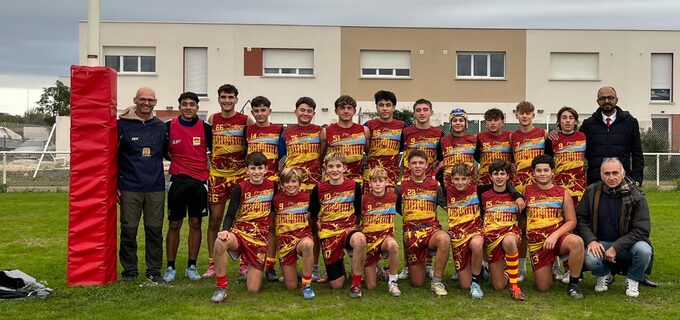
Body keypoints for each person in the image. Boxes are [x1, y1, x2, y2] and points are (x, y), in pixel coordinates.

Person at [575, 157, 652, 298]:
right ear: (601, 175)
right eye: (607, 173)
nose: (611, 177)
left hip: (628, 245)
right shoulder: (592, 191)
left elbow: (642, 229)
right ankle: (604, 275)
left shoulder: (636, 196)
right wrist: (591, 240)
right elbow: (581, 219)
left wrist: (616, 247)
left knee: (644, 250)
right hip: (600, 243)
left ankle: (633, 279)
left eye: (615, 173)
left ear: (623, 174)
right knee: (589, 258)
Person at [116, 87, 167, 283]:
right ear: (135, 100)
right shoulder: (121, 125)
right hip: (129, 187)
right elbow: (111, 157)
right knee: (129, 231)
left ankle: (154, 271)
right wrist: (114, 185)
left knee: (154, 231)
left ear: (155, 102)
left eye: (150, 100)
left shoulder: (161, 127)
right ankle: (130, 271)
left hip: (155, 187)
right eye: (143, 100)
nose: (146, 103)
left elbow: (169, 153)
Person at [211, 152, 276, 303]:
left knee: (253, 289)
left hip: (259, 241)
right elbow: (230, 214)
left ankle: (251, 268)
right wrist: (225, 230)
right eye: (253, 168)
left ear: (266, 169)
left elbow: (279, 207)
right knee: (220, 243)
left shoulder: (273, 187)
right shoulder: (240, 188)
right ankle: (221, 288)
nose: (256, 172)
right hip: (240, 234)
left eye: (260, 168)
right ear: (247, 170)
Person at [204, 84, 255, 278]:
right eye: (223, 97)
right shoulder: (212, 119)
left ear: (236, 99)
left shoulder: (245, 120)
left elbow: (250, 146)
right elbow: (210, 144)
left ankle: (244, 262)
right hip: (217, 176)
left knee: (241, 220)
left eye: (230, 97)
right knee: (215, 219)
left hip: (239, 176)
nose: (227, 100)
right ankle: (212, 262)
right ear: (218, 99)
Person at [550, 86, 644, 186]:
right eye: (602, 98)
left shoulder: (630, 122)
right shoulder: (589, 124)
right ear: (598, 101)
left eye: (610, 98)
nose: (606, 101)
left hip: (621, 178)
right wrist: (556, 133)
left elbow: (637, 153)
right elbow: (574, 139)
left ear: (616, 100)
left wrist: (637, 177)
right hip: (595, 180)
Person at [163, 92, 212, 282]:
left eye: (192, 104)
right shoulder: (168, 126)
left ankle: (192, 266)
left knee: (195, 223)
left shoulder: (206, 128)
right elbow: (164, 151)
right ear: (179, 107)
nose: (189, 107)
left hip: (199, 182)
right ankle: (170, 266)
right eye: (185, 104)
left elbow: (216, 152)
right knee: (174, 223)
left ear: (197, 107)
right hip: (178, 181)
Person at [523, 155, 585, 298]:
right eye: (539, 170)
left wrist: (555, 235)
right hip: (538, 244)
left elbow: (571, 221)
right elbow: (522, 217)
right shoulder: (526, 190)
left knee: (577, 242)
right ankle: (551, 263)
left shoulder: (562, 192)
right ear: (533, 173)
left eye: (546, 170)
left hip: (557, 239)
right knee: (543, 287)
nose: (542, 173)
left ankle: (574, 284)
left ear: (552, 172)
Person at [309, 152, 367, 298]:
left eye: (338, 166)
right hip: (328, 234)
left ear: (344, 168)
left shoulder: (354, 186)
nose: (334, 170)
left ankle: (356, 283)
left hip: (348, 230)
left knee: (359, 239)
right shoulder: (318, 189)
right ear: (326, 169)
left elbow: (359, 212)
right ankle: (336, 268)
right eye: (331, 166)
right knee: (337, 285)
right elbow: (313, 214)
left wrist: (355, 227)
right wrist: (317, 227)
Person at [281, 96, 325, 281]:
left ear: (313, 114)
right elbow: (281, 157)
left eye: (309, 111)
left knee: (313, 227)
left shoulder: (320, 132)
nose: (305, 113)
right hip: (291, 187)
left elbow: (322, 154)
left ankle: (313, 267)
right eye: (302, 110)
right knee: (289, 226)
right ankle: (288, 265)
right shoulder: (286, 132)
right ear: (296, 111)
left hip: (312, 187)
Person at [398, 150, 451, 296]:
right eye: (414, 163)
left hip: (431, 231)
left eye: (421, 163)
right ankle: (415, 267)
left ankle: (437, 281)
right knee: (417, 283)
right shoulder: (401, 185)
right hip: (412, 235)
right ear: (408, 165)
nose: (417, 166)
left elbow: (446, 207)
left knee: (444, 238)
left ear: (427, 165)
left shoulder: (435, 185)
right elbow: (392, 206)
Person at [478, 159, 526, 300]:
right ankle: (507, 271)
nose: (499, 177)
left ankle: (514, 286)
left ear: (507, 176)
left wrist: (517, 196)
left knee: (509, 241)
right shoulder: (482, 193)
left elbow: (523, 217)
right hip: (491, 238)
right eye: (495, 174)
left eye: (502, 173)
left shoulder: (516, 196)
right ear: (490, 177)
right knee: (498, 286)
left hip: (510, 233)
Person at [273, 167, 315, 299]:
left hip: (301, 239)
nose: (290, 185)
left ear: (299, 182)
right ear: (282, 184)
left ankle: (306, 285)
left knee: (308, 244)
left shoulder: (308, 198)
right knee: (291, 286)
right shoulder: (276, 199)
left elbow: (315, 217)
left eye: (293, 181)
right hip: (285, 244)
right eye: (287, 182)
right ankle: (294, 273)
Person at [444, 163, 484, 298]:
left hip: (474, 232)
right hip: (457, 237)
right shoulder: (447, 191)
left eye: (463, 179)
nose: (460, 182)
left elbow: (500, 187)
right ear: (451, 179)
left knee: (477, 244)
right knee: (464, 285)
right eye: (456, 179)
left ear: (469, 179)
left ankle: (476, 282)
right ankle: (479, 270)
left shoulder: (476, 190)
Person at [361, 167, 401, 297]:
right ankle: (376, 269)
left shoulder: (393, 198)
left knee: (393, 245)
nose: (378, 184)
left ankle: (393, 282)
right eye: (374, 181)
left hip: (385, 239)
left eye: (381, 180)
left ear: (386, 182)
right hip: (369, 243)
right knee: (371, 286)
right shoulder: (363, 199)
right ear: (370, 184)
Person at [322, 95, 370, 184]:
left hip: (356, 181)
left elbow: (370, 154)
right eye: (342, 108)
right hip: (332, 182)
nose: (346, 111)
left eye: (349, 108)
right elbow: (321, 157)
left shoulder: (364, 130)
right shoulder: (326, 131)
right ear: (336, 111)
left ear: (354, 111)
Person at [364, 90, 405, 193]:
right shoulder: (368, 125)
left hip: (391, 174)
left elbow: (402, 147)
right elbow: (366, 149)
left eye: (388, 105)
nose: (385, 108)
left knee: (389, 205)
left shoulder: (402, 126)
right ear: (377, 107)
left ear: (393, 107)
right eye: (381, 105)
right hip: (372, 174)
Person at [510, 101, 548, 194]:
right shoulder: (512, 136)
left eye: (528, 113)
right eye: (521, 113)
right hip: (520, 183)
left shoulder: (543, 133)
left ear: (533, 115)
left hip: (539, 181)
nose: (524, 116)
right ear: (516, 115)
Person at [401, 98, 443, 180]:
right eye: (418, 110)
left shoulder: (438, 134)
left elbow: (441, 159)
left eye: (425, 110)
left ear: (431, 113)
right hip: (408, 180)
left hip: (429, 181)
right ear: (414, 113)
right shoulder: (406, 132)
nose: (422, 113)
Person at [246, 96, 286, 182]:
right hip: (252, 179)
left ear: (269, 111)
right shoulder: (247, 130)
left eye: (263, 110)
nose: (260, 114)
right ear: (252, 112)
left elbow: (283, 154)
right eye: (256, 111)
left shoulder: (279, 130)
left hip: (272, 179)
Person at [474, 108, 512, 185]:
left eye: (495, 120)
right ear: (485, 123)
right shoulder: (478, 137)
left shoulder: (511, 136)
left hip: (505, 180)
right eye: (489, 120)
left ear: (502, 122)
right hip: (484, 180)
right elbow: (476, 156)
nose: (492, 123)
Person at [440, 108, 477, 187]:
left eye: (461, 120)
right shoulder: (443, 140)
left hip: (469, 184)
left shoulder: (473, 140)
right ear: (450, 123)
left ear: (466, 123)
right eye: (455, 120)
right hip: (449, 184)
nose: (458, 123)